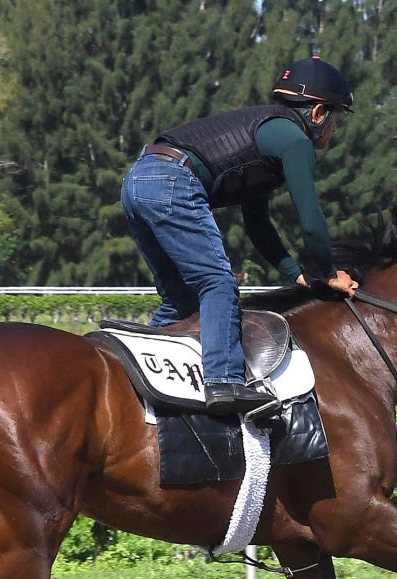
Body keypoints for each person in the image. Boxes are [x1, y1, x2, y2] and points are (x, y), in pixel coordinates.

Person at [121, 56, 359, 416]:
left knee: (179, 299)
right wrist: (327, 273)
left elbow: (258, 223)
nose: (334, 132)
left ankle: (132, 379)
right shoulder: (295, 141)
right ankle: (224, 383)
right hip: (171, 180)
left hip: (138, 179)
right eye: (336, 119)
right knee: (218, 283)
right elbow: (311, 222)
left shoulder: (265, 136)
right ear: (318, 113)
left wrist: (298, 275)